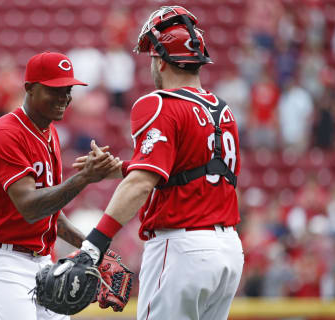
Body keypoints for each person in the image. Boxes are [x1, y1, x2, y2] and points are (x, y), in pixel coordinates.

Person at [72, 6, 244, 320]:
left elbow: (142, 183)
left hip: (182, 248)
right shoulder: (223, 109)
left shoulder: (159, 103)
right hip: (229, 250)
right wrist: (124, 168)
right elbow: (194, 171)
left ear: (161, 60)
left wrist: (94, 243)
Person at [0, 51, 120, 320]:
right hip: (1, 261)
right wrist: (84, 177)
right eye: (55, 89)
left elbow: (51, 213)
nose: (64, 97)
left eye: (68, 89)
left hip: (41, 261)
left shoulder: (49, 133)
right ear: (30, 88)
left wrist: (92, 250)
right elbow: (30, 207)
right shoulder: (5, 134)